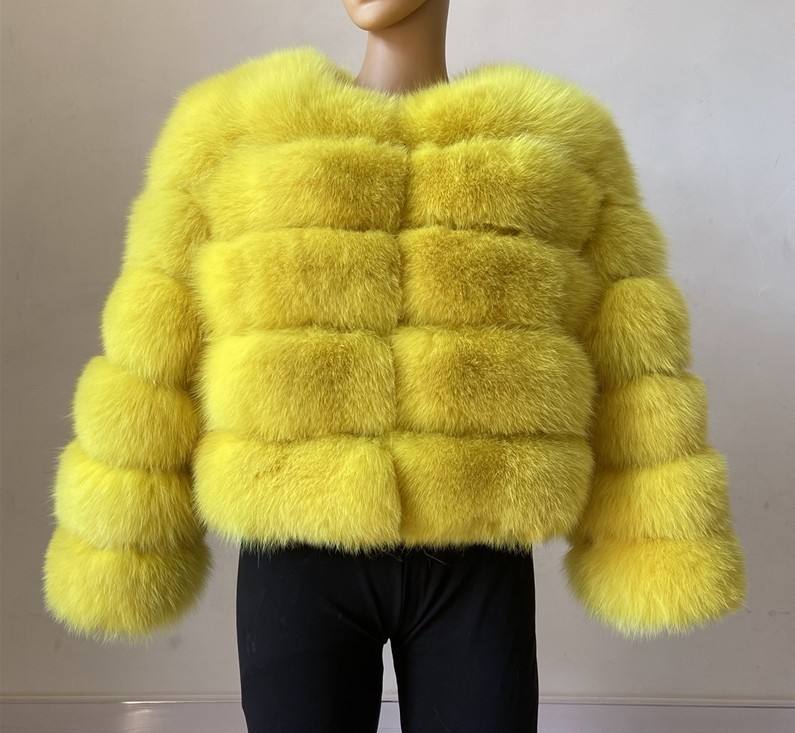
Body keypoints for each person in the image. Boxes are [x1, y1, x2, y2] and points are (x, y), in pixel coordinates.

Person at [42, 2, 746, 731]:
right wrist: (122, 534)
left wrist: (654, 532)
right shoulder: (232, 132)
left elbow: (635, 353)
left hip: (476, 559)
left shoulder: (558, 143)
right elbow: (150, 345)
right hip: (296, 558)